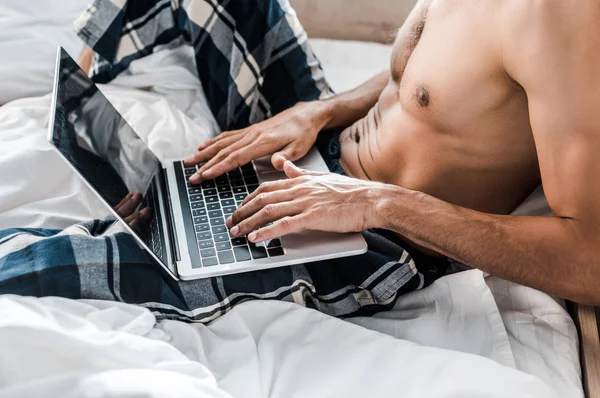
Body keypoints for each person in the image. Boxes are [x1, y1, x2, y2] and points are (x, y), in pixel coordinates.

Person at [74, 0, 600, 308]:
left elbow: (590, 260)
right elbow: (427, 80)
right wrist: (319, 111)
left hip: (377, 239)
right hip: (320, 157)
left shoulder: (562, 19)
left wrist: (375, 203)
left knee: (63, 266)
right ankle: (82, 91)